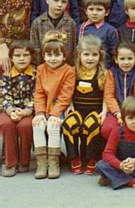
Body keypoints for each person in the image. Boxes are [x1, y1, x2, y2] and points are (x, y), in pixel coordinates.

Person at [32, 31, 76, 179]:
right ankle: (42, 163)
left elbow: (65, 95)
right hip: (44, 109)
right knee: (38, 124)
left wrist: (54, 114)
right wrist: (39, 113)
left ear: (64, 56)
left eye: (57, 55)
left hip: (60, 109)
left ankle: (53, 162)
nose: (53, 59)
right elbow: (38, 93)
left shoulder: (69, 71)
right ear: (44, 56)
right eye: (49, 55)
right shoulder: (40, 69)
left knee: (53, 126)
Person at [62, 35, 107, 175]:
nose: (90, 58)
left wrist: (104, 111)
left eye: (94, 55)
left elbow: (107, 95)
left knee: (91, 127)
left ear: (100, 56)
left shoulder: (103, 73)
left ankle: (91, 158)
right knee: (69, 125)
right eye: (86, 54)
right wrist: (69, 105)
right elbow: (67, 90)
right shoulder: (73, 71)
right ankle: (74, 158)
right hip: (78, 109)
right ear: (79, 55)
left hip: (95, 110)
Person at [0, 40, 35, 177]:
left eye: (25, 55)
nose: (21, 59)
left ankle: (24, 161)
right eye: (17, 56)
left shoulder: (36, 73)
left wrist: (26, 111)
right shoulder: (6, 75)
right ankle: (10, 162)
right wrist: (11, 111)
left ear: (31, 57)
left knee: (25, 125)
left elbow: (37, 95)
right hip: (8, 110)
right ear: (11, 58)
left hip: (27, 111)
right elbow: (4, 95)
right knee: (7, 124)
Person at [101, 42, 135, 140]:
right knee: (107, 129)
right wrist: (118, 113)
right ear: (116, 59)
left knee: (133, 129)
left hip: (134, 111)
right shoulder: (111, 72)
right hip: (114, 111)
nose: (126, 62)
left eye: (129, 58)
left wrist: (128, 113)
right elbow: (109, 95)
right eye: (122, 59)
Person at [30, 0, 77, 65]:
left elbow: (73, 49)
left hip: (65, 69)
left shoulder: (71, 23)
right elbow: (35, 49)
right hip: (44, 69)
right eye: (56, 0)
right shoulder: (37, 23)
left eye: (63, 2)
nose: (59, 4)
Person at [77, 0, 119, 67]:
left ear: (107, 12)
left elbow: (114, 54)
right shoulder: (80, 28)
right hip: (84, 70)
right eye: (91, 9)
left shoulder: (111, 30)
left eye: (99, 10)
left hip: (104, 69)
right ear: (86, 11)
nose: (94, 13)